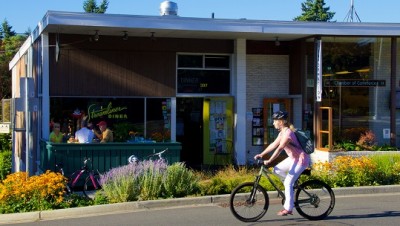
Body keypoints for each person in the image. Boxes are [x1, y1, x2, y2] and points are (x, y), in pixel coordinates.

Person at [254, 111, 310, 216]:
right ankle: (290, 185)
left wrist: (270, 160)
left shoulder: (288, 133)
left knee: (288, 182)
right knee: (276, 170)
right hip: (293, 158)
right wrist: (262, 154)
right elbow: (273, 144)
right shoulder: (282, 132)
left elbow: (280, 148)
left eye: (275, 121)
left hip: (301, 160)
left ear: (280, 122)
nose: (273, 123)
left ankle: (288, 208)